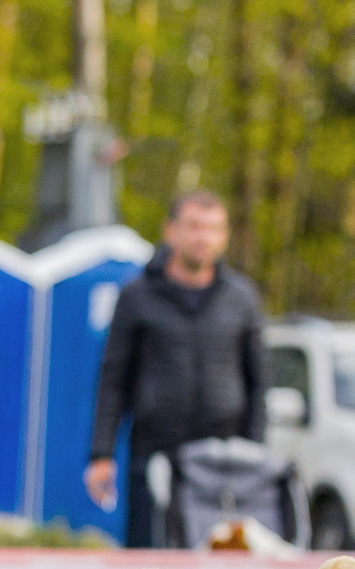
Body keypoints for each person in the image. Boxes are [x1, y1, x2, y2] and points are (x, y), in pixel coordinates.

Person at [84, 191, 267, 546]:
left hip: (223, 465)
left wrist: (254, 456)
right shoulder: (137, 295)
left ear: (225, 236)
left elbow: (258, 384)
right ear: (171, 231)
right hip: (153, 458)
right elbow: (112, 379)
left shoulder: (242, 298)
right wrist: (100, 454)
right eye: (194, 226)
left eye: (214, 228)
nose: (204, 238)